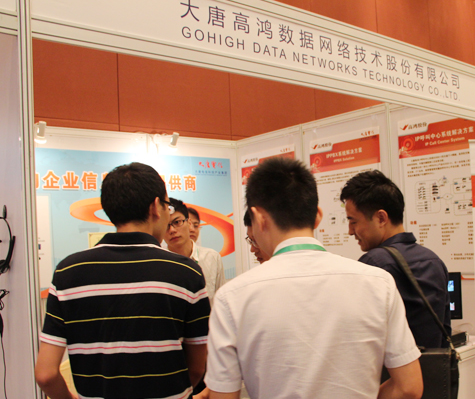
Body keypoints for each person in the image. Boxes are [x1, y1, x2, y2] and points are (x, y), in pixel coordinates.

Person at [202, 157, 422, 399]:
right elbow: (409, 387)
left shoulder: (232, 298)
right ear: (317, 216)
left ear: (259, 218)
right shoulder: (379, 283)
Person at [35, 162, 210, 399]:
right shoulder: (186, 272)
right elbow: (198, 367)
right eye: (167, 206)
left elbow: (45, 375)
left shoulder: (68, 272)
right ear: (155, 207)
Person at [340, 169, 451, 349]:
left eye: (353, 222)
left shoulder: (374, 264)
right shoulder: (434, 261)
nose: (350, 231)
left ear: (381, 218)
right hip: (432, 366)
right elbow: (445, 330)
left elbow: (359, 337)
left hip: (394, 367)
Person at [163, 198, 226, 305]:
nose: (172, 230)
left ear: (189, 223)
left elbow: (221, 301)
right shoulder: (159, 263)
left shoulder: (212, 258)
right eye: (165, 225)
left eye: (177, 222)